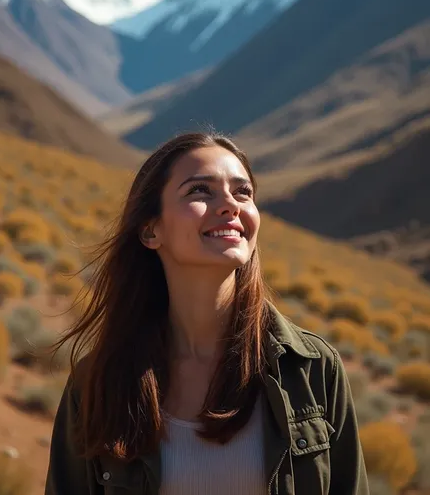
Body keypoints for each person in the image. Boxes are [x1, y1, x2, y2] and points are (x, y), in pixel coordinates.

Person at [45, 131, 369, 495]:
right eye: (200, 190)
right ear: (151, 230)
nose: (231, 205)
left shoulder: (312, 370)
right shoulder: (96, 383)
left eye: (242, 192)